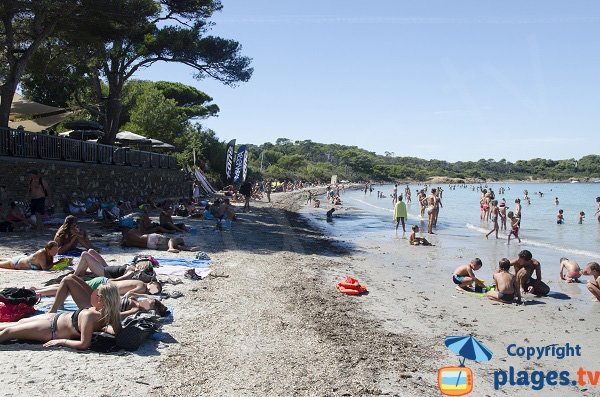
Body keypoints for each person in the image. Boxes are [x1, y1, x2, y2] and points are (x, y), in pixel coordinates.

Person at [0, 284, 121, 350]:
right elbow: (112, 330)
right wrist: (105, 328)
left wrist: (61, 342)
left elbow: (84, 344)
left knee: (8, 332)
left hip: (50, 329)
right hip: (53, 318)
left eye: (95, 293)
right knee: (17, 323)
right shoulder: (107, 314)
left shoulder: (89, 316)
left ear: (101, 299)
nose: (92, 294)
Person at [122, 225, 200, 253]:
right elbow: (142, 232)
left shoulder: (127, 242)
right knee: (171, 239)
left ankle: (189, 248)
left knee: (175, 244)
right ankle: (172, 248)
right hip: (153, 244)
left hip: (151, 245)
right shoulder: (132, 231)